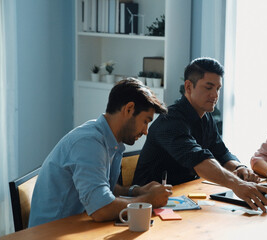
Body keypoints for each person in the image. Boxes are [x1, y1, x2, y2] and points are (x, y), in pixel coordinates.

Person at [132, 57, 267, 212]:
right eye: (208, 87)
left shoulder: (206, 117)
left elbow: (222, 152)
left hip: (187, 196)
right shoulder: (170, 120)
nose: (215, 95)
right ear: (188, 87)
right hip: (150, 204)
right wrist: (238, 184)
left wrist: (240, 168)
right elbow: (199, 159)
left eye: (218, 89)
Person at [29, 78, 171, 227]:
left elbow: (102, 187)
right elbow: (101, 209)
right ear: (128, 109)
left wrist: (136, 191)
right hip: (51, 233)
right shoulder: (88, 143)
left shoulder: (107, 139)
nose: (146, 131)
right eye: (145, 121)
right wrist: (149, 199)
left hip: (77, 227)